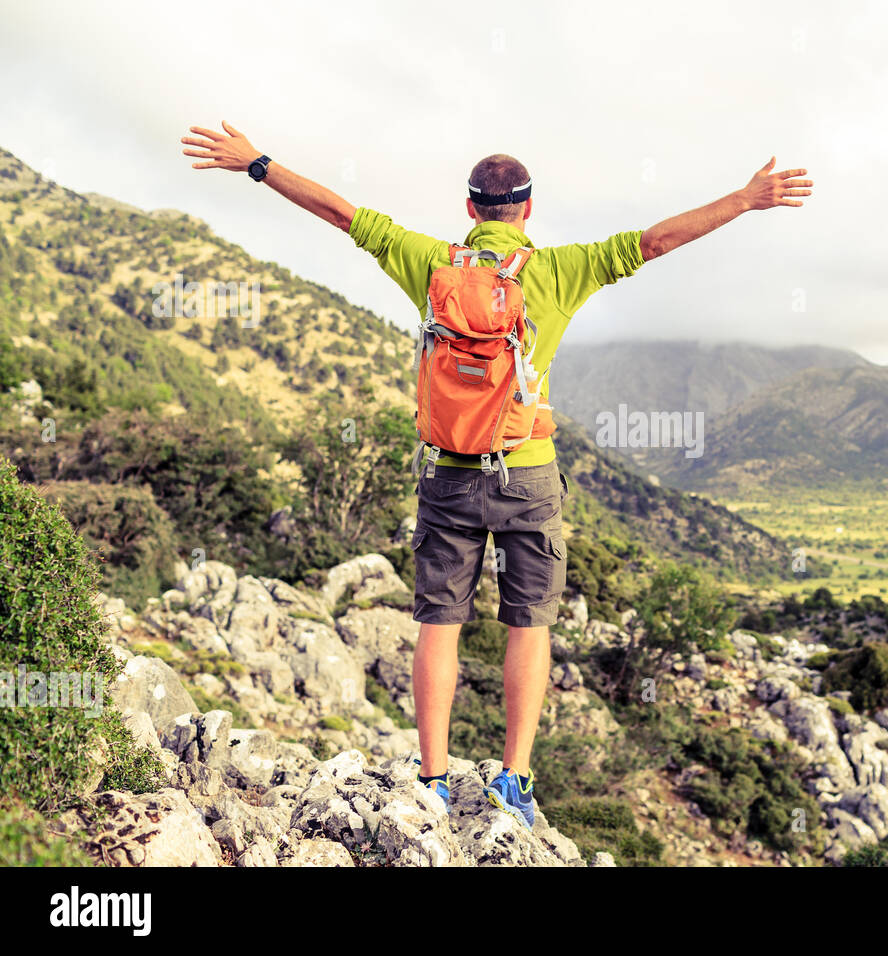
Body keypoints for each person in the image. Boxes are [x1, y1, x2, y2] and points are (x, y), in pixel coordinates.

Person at [181, 120, 813, 827]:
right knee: (528, 625)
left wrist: (256, 164)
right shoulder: (559, 269)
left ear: (472, 208)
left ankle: (434, 777)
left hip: (446, 474)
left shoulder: (428, 260)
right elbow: (657, 241)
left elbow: (341, 214)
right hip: (529, 475)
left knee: (438, 624)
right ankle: (514, 779)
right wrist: (747, 198)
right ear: (528, 210)